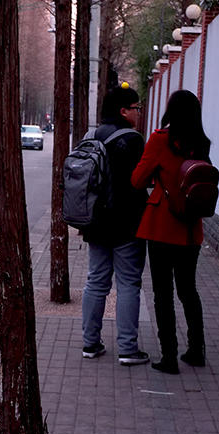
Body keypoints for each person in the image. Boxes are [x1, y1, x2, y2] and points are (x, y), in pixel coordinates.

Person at [130, 89, 209, 374]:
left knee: (162, 293)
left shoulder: (160, 140)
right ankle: (197, 350)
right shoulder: (202, 143)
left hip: (162, 227)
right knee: (188, 290)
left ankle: (169, 357)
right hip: (191, 229)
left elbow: (138, 180)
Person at [80, 83, 150, 367]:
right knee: (129, 283)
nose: (138, 113)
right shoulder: (133, 140)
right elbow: (140, 181)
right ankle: (127, 349)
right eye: (136, 108)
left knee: (96, 281)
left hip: (95, 222)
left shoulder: (90, 135)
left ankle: (90, 343)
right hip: (127, 224)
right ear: (124, 111)